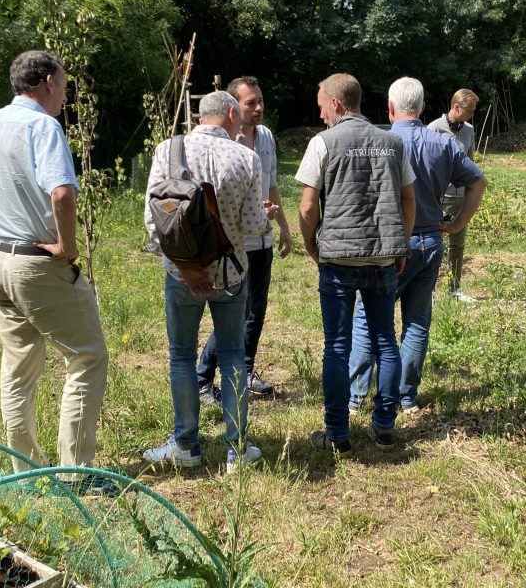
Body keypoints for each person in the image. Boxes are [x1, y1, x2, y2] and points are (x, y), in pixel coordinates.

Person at [0, 50, 115, 495]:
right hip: (39, 263)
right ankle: (77, 474)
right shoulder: (42, 127)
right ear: (48, 81)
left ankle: (25, 469)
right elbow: (63, 194)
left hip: (1, 261)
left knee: (18, 367)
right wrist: (67, 248)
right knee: (87, 356)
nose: (66, 95)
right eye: (65, 85)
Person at [143, 91, 270, 471]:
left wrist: (187, 270)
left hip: (181, 274)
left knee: (181, 355)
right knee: (233, 355)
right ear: (232, 114)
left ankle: (186, 445)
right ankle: (237, 449)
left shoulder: (168, 150)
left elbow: (153, 222)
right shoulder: (246, 157)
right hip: (230, 274)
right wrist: (267, 216)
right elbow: (251, 226)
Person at [349, 78, 487, 414]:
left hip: (390, 244)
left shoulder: (379, 143)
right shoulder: (442, 143)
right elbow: (478, 181)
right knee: (416, 321)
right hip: (429, 241)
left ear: (390, 108)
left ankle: (355, 396)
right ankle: (406, 396)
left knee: (368, 318)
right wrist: (456, 224)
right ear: (423, 109)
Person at [296, 73, 415, 456]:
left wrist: (311, 245)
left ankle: (339, 435)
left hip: (338, 259)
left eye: (320, 107)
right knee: (386, 342)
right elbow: (408, 200)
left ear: (335, 103)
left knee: (337, 346)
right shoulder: (393, 143)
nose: (320, 116)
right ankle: (384, 428)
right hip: (382, 257)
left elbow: (308, 205)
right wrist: (401, 246)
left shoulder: (323, 143)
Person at [196, 76, 292, 403]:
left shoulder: (265, 137)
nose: (259, 107)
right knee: (234, 314)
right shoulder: (224, 143)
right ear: (234, 107)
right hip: (232, 245)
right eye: (251, 102)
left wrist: (283, 226)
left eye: (260, 100)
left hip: (262, 240)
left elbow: (272, 183)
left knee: (256, 312)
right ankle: (203, 378)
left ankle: (246, 371)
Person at [427, 88, 480, 301]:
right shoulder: (433, 129)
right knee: (433, 243)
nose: (472, 114)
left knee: (457, 244)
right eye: (469, 110)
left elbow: (470, 162)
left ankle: (454, 290)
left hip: (460, 197)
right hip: (438, 196)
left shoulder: (468, 130)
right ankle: (427, 290)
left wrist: (471, 193)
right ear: (456, 107)